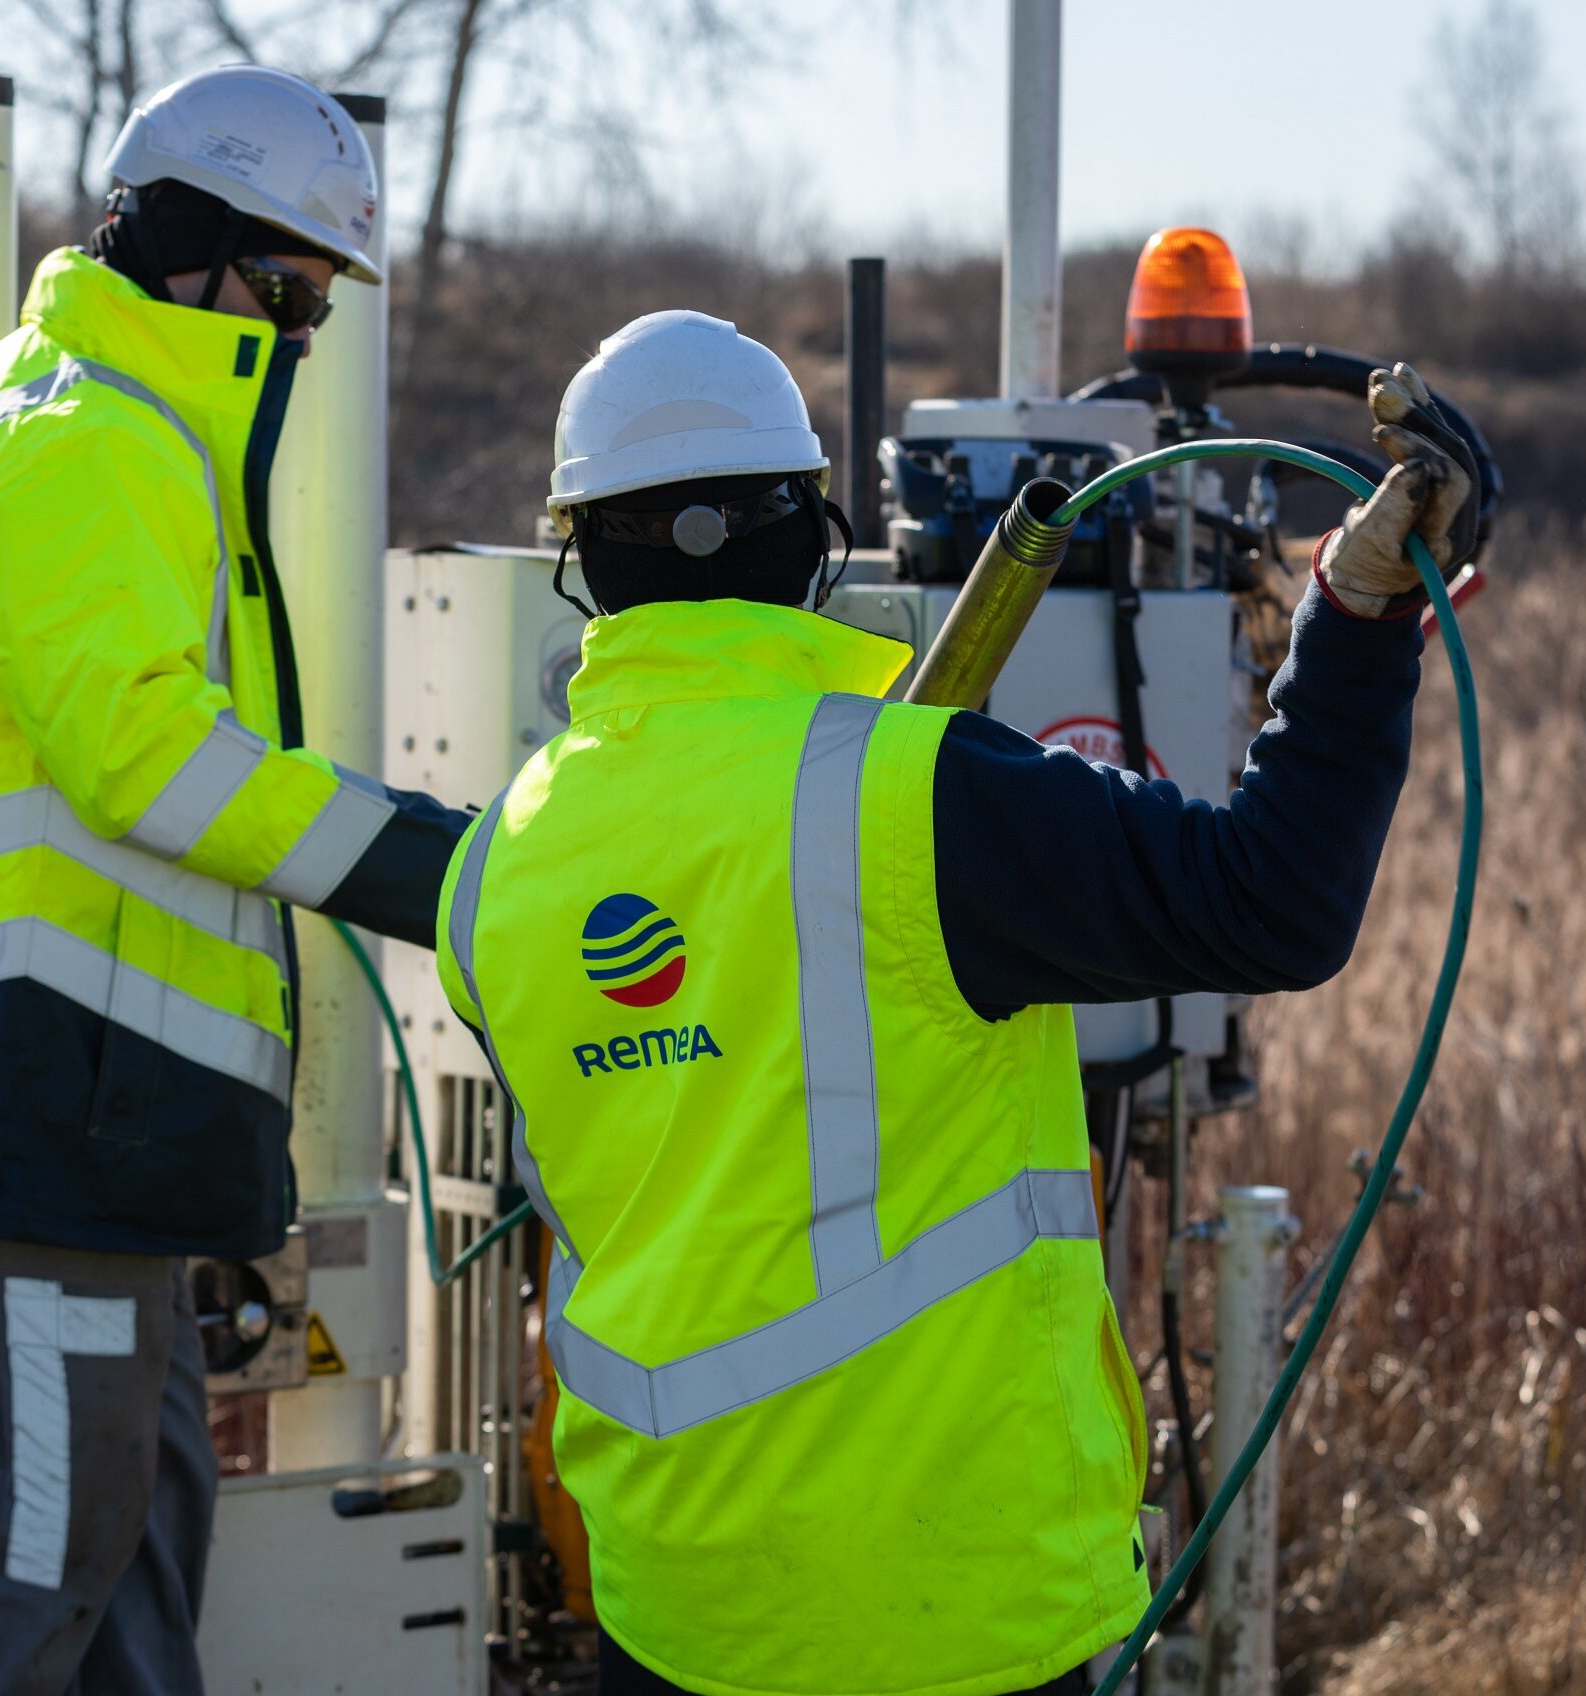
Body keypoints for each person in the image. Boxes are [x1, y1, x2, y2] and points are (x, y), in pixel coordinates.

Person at [434, 311, 1468, 1696]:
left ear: (581, 560)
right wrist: (1358, 604)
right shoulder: (913, 798)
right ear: (810, 537)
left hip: (671, 1609)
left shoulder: (492, 866)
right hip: (943, 1615)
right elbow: (1272, 896)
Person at [0, 65, 467, 1696]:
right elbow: (144, 756)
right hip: (22, 1101)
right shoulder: (82, 437)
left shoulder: (114, 431)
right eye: (288, 288)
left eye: (320, 302)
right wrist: (435, 871)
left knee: (129, 1541)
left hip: (79, 1113)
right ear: (190, 247)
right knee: (30, 1561)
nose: (301, 329)